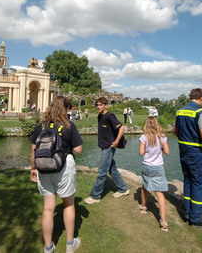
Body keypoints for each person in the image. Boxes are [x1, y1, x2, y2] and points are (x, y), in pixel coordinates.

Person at [30, 96, 83, 253]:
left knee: (48, 208)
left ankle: (48, 247)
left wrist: (33, 168)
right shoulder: (69, 126)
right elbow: (79, 150)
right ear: (65, 109)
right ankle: (69, 244)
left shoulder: (41, 126)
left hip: (43, 167)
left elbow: (33, 150)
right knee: (68, 204)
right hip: (63, 167)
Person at [171, 88, 202, 229]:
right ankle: (197, 219)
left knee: (188, 181)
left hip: (184, 151)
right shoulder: (200, 112)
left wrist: (184, 139)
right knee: (200, 184)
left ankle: (187, 212)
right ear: (201, 98)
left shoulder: (180, 111)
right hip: (198, 152)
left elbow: (174, 131)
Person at [84, 97, 129, 204]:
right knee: (112, 169)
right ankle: (123, 189)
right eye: (97, 105)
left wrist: (117, 141)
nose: (98, 106)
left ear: (105, 105)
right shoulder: (100, 116)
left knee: (102, 172)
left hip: (109, 147)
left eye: (101, 105)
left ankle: (95, 196)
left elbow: (122, 127)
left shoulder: (110, 116)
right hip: (104, 146)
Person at [139, 116, 170, 231]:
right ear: (157, 124)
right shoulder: (162, 137)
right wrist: (159, 150)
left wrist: (148, 150)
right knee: (159, 192)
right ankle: (163, 221)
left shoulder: (143, 137)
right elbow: (167, 152)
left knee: (145, 186)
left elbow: (141, 152)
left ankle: (143, 207)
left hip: (147, 166)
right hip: (158, 167)